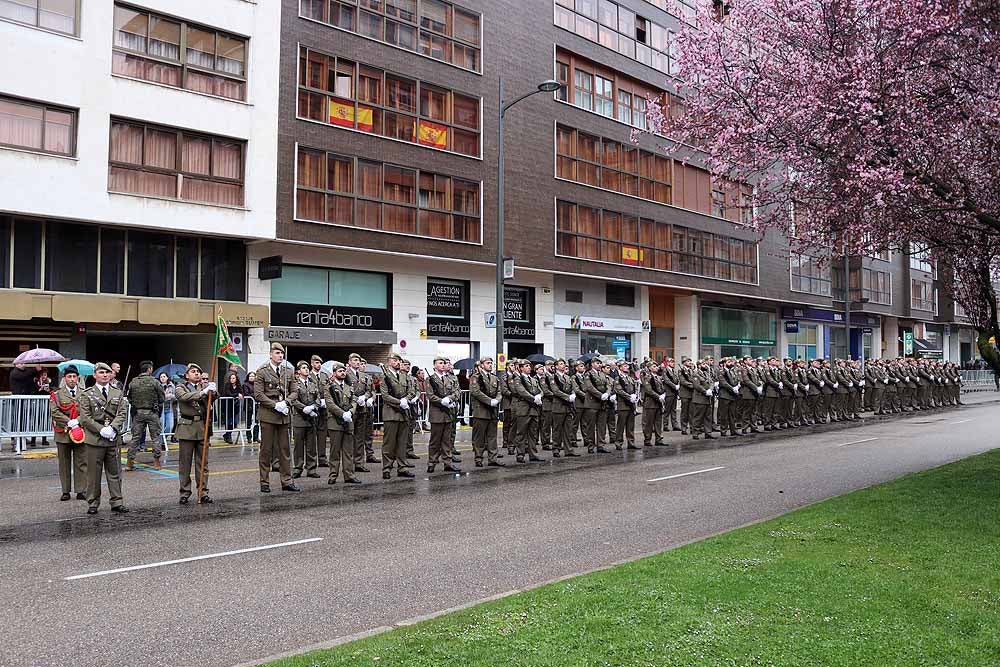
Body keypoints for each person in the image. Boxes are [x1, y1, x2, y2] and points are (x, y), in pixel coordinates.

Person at [77, 362, 129, 514]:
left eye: (107, 372)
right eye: (101, 372)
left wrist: (113, 428)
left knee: (115, 472)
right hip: (95, 438)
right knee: (94, 473)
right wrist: (101, 430)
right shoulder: (87, 394)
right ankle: (93, 502)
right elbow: (85, 418)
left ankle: (117, 501)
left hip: (112, 437)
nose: (105, 375)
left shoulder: (117, 392)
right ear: (95, 375)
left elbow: (122, 413)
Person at [253, 342, 300, 494]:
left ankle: (286, 481)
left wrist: (286, 402)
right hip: (268, 415)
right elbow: (258, 394)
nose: (280, 356)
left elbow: (294, 391)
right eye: (277, 353)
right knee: (266, 450)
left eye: (282, 353)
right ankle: (264, 482)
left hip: (283, 415)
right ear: (270, 355)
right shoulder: (262, 372)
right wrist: (275, 405)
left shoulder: (288, 371)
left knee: (285, 450)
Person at [174, 363, 216, 504]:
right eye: (193, 371)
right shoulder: (180, 387)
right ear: (186, 375)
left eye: (198, 371)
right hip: (187, 428)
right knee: (185, 464)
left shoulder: (204, 386)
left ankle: (203, 492)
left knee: (202, 463)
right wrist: (203, 393)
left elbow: (213, 398)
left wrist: (213, 391)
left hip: (202, 428)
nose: (197, 373)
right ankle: (184, 492)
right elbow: (184, 397)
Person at [49, 365, 87, 501]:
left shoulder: (84, 393)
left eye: (74, 376)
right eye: (69, 376)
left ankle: (81, 490)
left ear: (78, 378)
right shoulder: (57, 394)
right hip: (63, 433)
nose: (72, 379)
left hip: (80, 432)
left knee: (81, 462)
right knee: (64, 464)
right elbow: (54, 412)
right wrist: (68, 422)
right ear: (64, 379)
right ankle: (65, 491)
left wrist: (77, 421)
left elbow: (88, 411)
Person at [324, 361, 361, 484]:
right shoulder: (329, 387)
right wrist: (342, 414)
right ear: (334, 374)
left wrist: (351, 412)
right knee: (335, 451)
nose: (343, 373)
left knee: (348, 451)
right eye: (340, 371)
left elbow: (354, 400)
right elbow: (330, 404)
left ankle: (349, 475)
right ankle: (333, 475)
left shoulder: (349, 386)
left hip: (348, 421)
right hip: (335, 422)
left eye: (344, 371)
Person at [379, 353, 414, 479]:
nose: (398, 362)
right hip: (391, 413)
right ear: (389, 362)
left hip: (404, 414)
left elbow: (411, 391)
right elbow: (385, 395)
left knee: (402, 443)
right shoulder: (384, 376)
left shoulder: (404, 376)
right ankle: (387, 468)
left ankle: (402, 467)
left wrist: (406, 399)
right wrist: (400, 402)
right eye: (395, 360)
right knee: (389, 444)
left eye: (399, 360)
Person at [126, 361, 165, 470]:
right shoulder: (154, 382)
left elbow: (129, 398)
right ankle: (157, 462)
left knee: (135, 438)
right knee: (155, 438)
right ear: (149, 369)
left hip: (138, 413)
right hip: (152, 413)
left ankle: (130, 462)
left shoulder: (133, 382)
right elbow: (162, 397)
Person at [469, 355, 504, 467]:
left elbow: (499, 391)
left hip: (492, 411)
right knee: (479, 437)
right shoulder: (476, 377)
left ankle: (492, 458)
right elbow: (476, 392)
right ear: (482, 365)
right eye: (488, 363)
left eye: (491, 363)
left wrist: (497, 400)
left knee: (492, 436)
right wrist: (489, 401)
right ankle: (478, 458)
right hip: (481, 411)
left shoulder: (495, 378)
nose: (490, 365)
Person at [290, 360, 322, 479]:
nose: (307, 369)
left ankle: (311, 468)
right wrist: (304, 408)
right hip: (300, 418)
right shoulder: (295, 384)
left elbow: (318, 398)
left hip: (311, 418)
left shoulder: (313, 383)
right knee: (298, 445)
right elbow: (293, 399)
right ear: (298, 371)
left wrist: (314, 407)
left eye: (307, 368)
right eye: (304, 368)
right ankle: (298, 468)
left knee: (311, 445)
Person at [427, 356, 460, 473]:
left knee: (447, 441)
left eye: (444, 363)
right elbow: (430, 395)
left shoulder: (449, 379)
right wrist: (441, 401)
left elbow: (457, 392)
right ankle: (432, 462)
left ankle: (447, 463)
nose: (442, 365)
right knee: (435, 441)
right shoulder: (430, 379)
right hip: (437, 413)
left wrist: (449, 399)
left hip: (448, 414)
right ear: (434, 365)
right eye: (440, 363)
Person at [548, 358, 579, 457]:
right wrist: (567, 397)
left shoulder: (567, 377)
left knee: (568, 429)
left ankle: (568, 449)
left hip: (568, 407)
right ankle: (556, 448)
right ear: (556, 366)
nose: (563, 365)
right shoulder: (553, 377)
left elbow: (573, 388)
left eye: (563, 364)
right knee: (557, 429)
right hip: (559, 406)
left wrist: (573, 395)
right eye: (561, 364)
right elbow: (556, 391)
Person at [613, 360, 639, 450]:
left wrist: (635, 396)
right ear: (620, 368)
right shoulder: (618, 379)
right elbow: (619, 390)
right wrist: (629, 397)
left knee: (630, 425)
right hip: (623, 405)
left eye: (627, 366)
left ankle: (631, 442)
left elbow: (635, 389)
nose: (627, 367)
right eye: (624, 366)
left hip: (631, 405)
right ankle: (618, 443)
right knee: (621, 425)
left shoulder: (630, 378)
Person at [310, 355, 331, 467]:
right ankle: (312, 460)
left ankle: (322, 459)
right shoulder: (308, 376)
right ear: (312, 363)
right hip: (312, 409)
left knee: (322, 435)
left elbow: (328, 390)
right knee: (312, 437)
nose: (319, 365)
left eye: (320, 363)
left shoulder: (324, 376)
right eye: (317, 362)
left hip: (323, 410)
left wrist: (325, 401)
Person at [220, 371, 244, 444]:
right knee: (228, 423)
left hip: (235, 406)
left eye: (234, 378)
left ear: (236, 379)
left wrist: (240, 394)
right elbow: (229, 393)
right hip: (227, 406)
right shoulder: (227, 385)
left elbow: (242, 393)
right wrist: (237, 394)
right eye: (231, 378)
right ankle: (229, 436)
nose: (232, 379)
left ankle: (226, 434)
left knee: (235, 423)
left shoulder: (239, 385)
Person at [158, 372, 177, 442]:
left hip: (169, 409)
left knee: (169, 427)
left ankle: (162, 441)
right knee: (161, 427)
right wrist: (165, 396)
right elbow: (158, 398)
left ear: (167, 377)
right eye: (161, 377)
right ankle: (161, 443)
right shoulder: (158, 386)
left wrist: (170, 396)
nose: (162, 378)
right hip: (161, 409)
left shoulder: (171, 386)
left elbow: (176, 396)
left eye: (164, 376)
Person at [241, 371, 260, 443]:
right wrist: (255, 395)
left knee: (256, 422)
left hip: (256, 406)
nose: (252, 377)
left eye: (253, 376)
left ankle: (256, 437)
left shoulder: (257, 385)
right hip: (248, 405)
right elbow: (246, 394)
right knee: (248, 422)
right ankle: (249, 437)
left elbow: (259, 393)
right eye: (250, 376)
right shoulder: (245, 385)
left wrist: (256, 395)